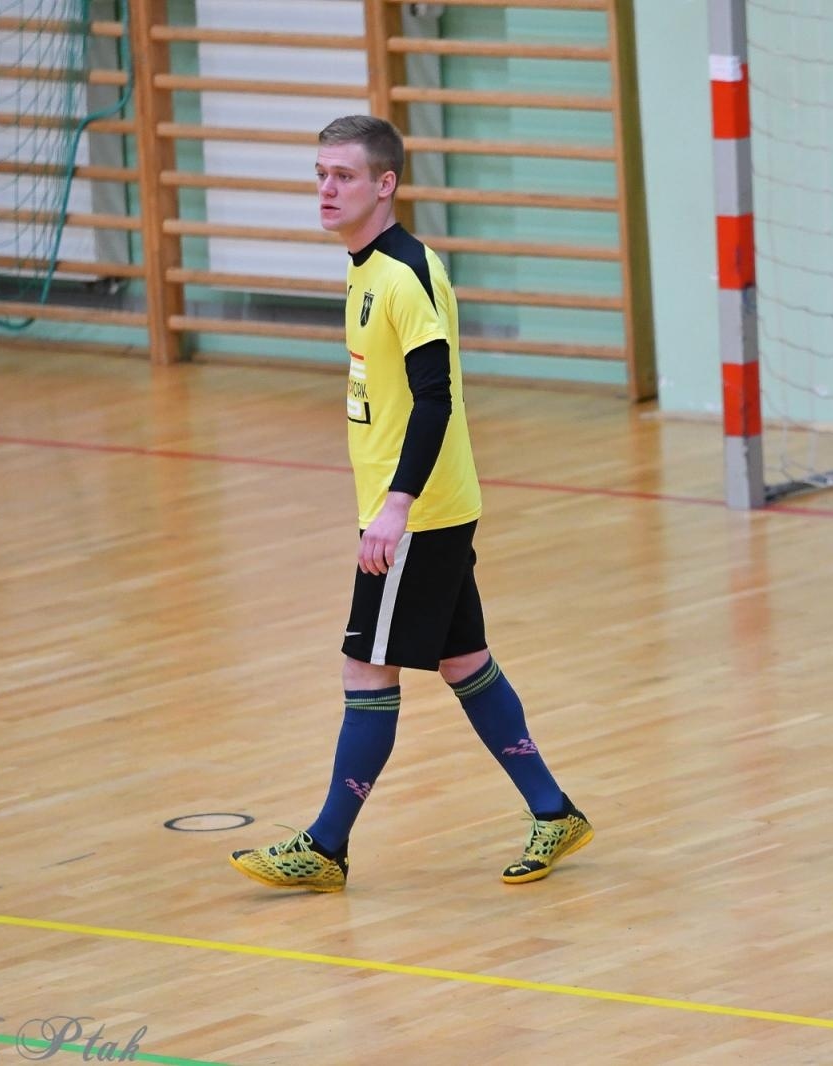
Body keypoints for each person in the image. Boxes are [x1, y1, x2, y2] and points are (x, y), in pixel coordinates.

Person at [229, 114, 592, 892]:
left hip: (419, 515)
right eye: (321, 174)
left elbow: (435, 398)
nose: (327, 189)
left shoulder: (402, 274)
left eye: (345, 176)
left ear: (385, 184)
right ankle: (554, 810)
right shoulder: (367, 266)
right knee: (464, 660)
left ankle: (325, 846)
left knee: (367, 667)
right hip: (426, 507)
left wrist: (395, 506)